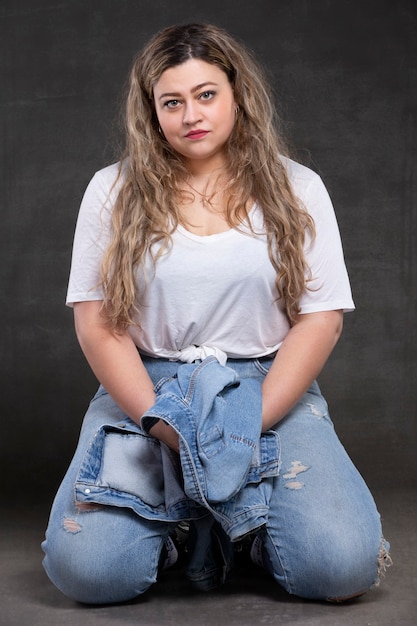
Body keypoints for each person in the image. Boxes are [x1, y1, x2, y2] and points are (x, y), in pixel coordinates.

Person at [41, 22, 391, 605]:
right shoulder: (111, 190)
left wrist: (241, 429)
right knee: (91, 574)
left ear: (237, 95)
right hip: (147, 385)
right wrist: (162, 423)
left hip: (265, 384)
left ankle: (244, 534)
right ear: (152, 112)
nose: (190, 115)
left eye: (206, 95)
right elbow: (98, 323)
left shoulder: (298, 188)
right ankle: (182, 532)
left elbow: (321, 318)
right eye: (171, 102)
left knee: (340, 568)